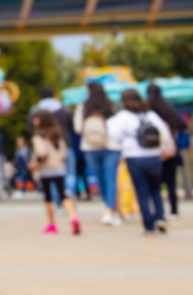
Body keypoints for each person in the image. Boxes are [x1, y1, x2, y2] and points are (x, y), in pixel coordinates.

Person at [110, 88, 173, 235]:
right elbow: (164, 134)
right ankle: (160, 217)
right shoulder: (150, 115)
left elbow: (113, 135)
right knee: (156, 190)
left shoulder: (123, 116)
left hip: (134, 157)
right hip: (153, 156)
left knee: (142, 192)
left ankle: (149, 227)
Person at [78, 82, 122, 226]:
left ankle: (109, 208)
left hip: (90, 147)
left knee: (101, 180)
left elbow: (78, 127)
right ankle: (111, 210)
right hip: (111, 146)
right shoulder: (111, 106)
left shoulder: (83, 107)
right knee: (111, 179)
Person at [29, 111, 80, 235]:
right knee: (62, 194)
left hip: (46, 170)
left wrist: (35, 163)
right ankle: (73, 216)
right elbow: (64, 153)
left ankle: (52, 224)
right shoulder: (58, 134)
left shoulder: (38, 136)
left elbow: (41, 152)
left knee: (48, 197)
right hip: (59, 168)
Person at [147, 83, 187, 223]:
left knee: (154, 184)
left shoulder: (146, 110)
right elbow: (182, 125)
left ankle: (158, 213)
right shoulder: (167, 108)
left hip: (151, 151)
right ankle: (174, 212)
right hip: (170, 150)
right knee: (171, 183)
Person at [33, 88, 77, 198]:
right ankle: (69, 192)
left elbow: (30, 128)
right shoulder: (64, 109)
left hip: (45, 147)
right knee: (70, 172)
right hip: (64, 144)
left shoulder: (36, 110)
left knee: (51, 176)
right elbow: (72, 127)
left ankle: (57, 200)